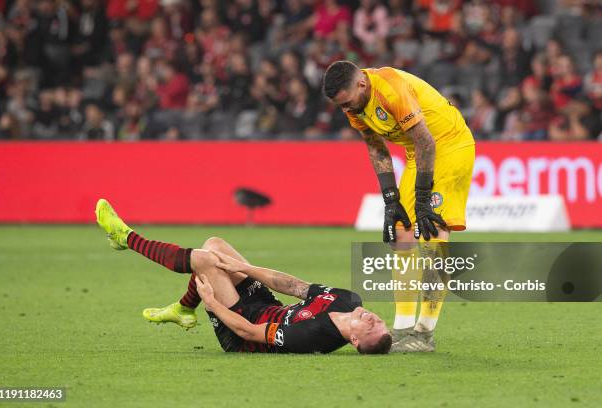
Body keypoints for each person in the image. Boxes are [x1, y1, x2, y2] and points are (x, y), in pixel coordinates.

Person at [95, 199, 391, 354]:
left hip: (239, 327)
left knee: (203, 260)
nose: (374, 318)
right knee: (215, 246)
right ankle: (184, 308)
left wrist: (213, 303)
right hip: (266, 304)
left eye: (371, 327)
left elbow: (249, 333)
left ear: (354, 339)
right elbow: (292, 285)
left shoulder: (315, 338)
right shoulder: (349, 299)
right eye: (379, 321)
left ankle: (126, 238)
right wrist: (244, 269)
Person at [322, 60, 475, 352]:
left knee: (431, 234)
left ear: (361, 85)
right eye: (342, 105)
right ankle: (404, 328)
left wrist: (421, 199)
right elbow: (375, 146)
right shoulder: (352, 106)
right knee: (401, 235)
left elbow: (427, 141)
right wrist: (390, 199)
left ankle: (424, 333)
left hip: (449, 146)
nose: (348, 110)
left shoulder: (391, 89)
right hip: (419, 154)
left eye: (349, 102)